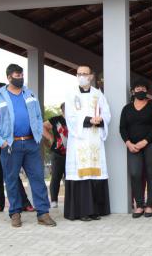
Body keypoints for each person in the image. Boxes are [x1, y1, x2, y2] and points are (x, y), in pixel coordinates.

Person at [0, 64, 55, 227]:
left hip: (31, 143)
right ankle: (15, 213)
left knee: (38, 178)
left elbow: (38, 117)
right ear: (9, 77)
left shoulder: (29, 94)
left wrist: (38, 134)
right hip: (11, 145)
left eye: (22, 75)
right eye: (17, 75)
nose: (20, 78)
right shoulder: (0, 97)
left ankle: (43, 213)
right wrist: (0, 141)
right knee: (11, 180)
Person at [64, 65, 111, 221]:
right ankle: (81, 211)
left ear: (91, 76)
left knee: (95, 175)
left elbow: (106, 113)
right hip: (79, 140)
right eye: (79, 74)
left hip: (95, 138)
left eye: (85, 74)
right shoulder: (71, 95)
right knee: (81, 175)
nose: (82, 76)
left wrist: (101, 119)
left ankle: (94, 210)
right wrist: (88, 120)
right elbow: (70, 117)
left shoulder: (99, 95)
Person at [0, 82, 35, 213]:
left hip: (11, 143)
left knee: (13, 174)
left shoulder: (12, 104)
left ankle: (24, 202)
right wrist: (1, 138)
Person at [120, 78, 152, 218]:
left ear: (147, 91)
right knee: (135, 173)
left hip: (151, 144)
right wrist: (128, 143)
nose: (140, 91)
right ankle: (139, 205)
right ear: (133, 91)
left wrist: (145, 141)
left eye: (143, 89)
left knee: (150, 173)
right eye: (137, 89)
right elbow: (122, 128)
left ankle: (149, 205)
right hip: (132, 146)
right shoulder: (126, 109)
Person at [43, 102, 68, 209]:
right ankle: (54, 200)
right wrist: (50, 137)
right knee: (56, 177)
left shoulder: (75, 119)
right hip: (57, 153)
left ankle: (70, 199)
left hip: (72, 154)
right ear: (62, 110)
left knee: (69, 177)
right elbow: (42, 126)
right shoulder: (56, 119)